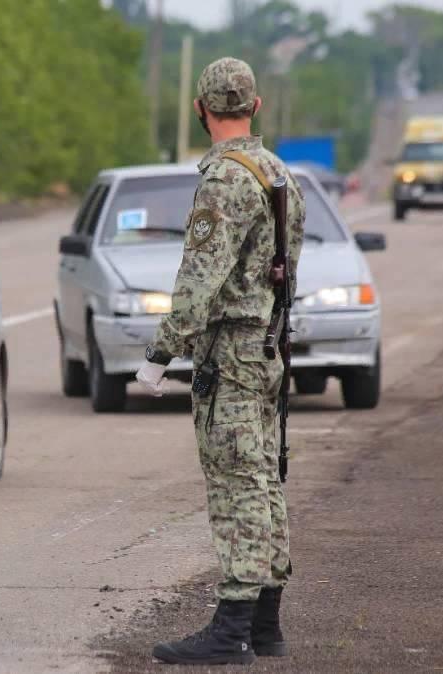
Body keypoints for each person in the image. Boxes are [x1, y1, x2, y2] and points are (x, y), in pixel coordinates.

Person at [136, 57, 306, 666]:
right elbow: (283, 277)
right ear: (255, 106)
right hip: (266, 351)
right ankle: (265, 624)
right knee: (263, 479)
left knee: (237, 484)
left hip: (230, 356)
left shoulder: (224, 181)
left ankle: (231, 628)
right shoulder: (278, 173)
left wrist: (160, 353)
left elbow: (199, 280)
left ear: (200, 110)